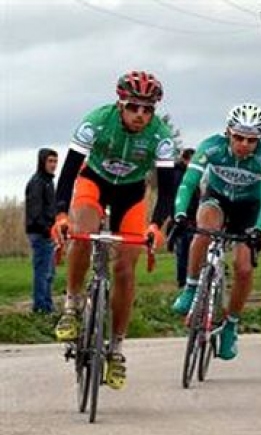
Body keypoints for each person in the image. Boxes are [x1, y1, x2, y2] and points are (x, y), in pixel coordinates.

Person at [51, 70, 175, 390]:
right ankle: (72, 303)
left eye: (148, 110)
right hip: (94, 183)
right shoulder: (97, 121)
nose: (140, 116)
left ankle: (117, 348)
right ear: (120, 104)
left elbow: (168, 190)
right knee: (82, 231)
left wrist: (155, 226)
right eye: (134, 107)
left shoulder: (160, 137)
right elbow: (66, 175)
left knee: (125, 266)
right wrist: (61, 215)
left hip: (131, 195)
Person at [170, 104, 261, 360]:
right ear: (228, 131)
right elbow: (188, 183)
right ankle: (191, 288)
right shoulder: (212, 146)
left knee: (243, 268)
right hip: (217, 199)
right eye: (238, 137)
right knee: (204, 231)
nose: (243, 144)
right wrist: (180, 214)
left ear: (259, 139)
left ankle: (231, 324)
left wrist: (260, 228)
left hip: (247, 209)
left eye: (251, 140)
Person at [25, 148, 58, 313]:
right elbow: (35, 211)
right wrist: (46, 229)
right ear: (42, 162)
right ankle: (41, 308)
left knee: (50, 273)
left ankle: (48, 306)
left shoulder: (48, 182)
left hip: (49, 233)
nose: (53, 165)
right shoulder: (38, 182)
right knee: (43, 272)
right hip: (40, 233)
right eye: (50, 161)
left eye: (55, 161)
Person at [166, 148, 197, 288]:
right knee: (185, 251)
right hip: (183, 219)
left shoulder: (182, 174)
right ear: (186, 159)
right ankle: (183, 281)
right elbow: (177, 198)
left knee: (186, 250)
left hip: (186, 218)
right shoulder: (179, 175)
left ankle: (185, 279)